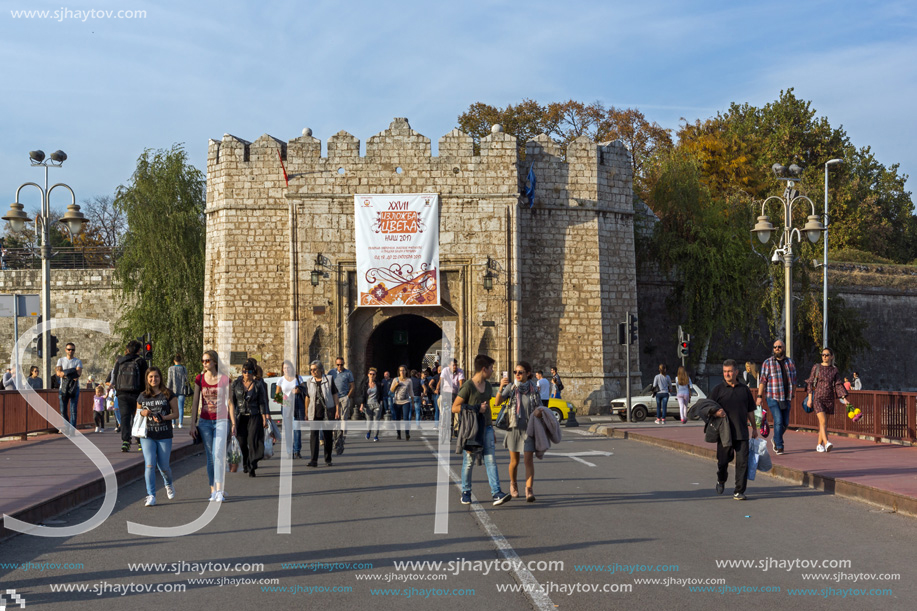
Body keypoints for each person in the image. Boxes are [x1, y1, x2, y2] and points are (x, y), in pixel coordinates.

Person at [453, 354, 511, 506]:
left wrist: (491, 428)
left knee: (490, 459)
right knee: (469, 461)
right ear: (483, 369)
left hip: (486, 428)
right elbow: (455, 407)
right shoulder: (468, 386)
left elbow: (492, 406)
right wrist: (476, 408)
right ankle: (466, 492)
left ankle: (496, 492)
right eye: (491, 368)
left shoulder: (488, 386)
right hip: (471, 429)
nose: (493, 371)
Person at [709, 359, 758, 500]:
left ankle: (739, 491)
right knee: (723, 462)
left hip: (741, 432)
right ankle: (721, 479)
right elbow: (707, 407)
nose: (727, 374)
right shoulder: (718, 390)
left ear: (736, 372)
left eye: (730, 371)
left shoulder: (744, 390)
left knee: (742, 463)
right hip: (724, 433)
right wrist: (715, 412)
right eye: (725, 371)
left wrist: (754, 428)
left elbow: (750, 410)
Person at [189, 350, 234, 502]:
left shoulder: (224, 379)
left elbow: (230, 402)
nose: (205, 363)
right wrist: (192, 425)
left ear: (214, 361)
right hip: (205, 422)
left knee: (218, 454)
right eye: (203, 361)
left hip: (221, 420)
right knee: (210, 457)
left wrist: (233, 423)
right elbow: (195, 402)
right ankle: (213, 490)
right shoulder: (199, 379)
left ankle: (220, 490)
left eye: (207, 360)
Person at [497, 361, 543, 502]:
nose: (517, 374)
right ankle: (513, 484)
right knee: (514, 462)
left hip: (529, 429)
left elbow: (540, 408)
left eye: (520, 372)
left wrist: (539, 413)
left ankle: (529, 490)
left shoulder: (534, 389)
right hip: (514, 428)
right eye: (515, 372)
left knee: (528, 461)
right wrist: (501, 387)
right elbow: (497, 402)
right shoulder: (511, 387)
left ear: (528, 373)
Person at [137, 367, 178, 507]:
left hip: (164, 434)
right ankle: (151, 495)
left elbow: (176, 413)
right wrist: (143, 412)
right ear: (147, 379)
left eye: (156, 377)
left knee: (164, 466)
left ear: (160, 378)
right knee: (149, 464)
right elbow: (137, 413)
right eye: (151, 377)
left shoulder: (168, 394)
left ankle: (168, 484)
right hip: (147, 434)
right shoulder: (142, 396)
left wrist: (164, 417)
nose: (153, 379)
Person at [756, 339, 796, 456]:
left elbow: (793, 380)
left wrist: (793, 394)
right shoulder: (767, 363)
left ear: (783, 348)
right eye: (775, 347)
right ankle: (779, 446)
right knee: (778, 421)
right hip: (772, 396)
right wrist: (759, 396)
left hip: (786, 397)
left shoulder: (790, 362)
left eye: (779, 347)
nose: (777, 349)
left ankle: (775, 438)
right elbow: (762, 380)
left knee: (785, 423)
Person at [806, 347, 850, 453]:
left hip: (829, 399)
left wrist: (844, 398)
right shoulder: (816, 367)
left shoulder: (834, 370)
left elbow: (838, 384)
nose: (824, 357)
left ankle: (818, 445)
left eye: (826, 355)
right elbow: (810, 383)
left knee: (824, 424)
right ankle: (826, 443)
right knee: (823, 421)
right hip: (818, 398)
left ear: (831, 357)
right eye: (823, 355)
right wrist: (810, 398)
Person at [231, 358, 269, 477]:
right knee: (242, 442)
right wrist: (232, 419)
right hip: (241, 417)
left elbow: (262, 402)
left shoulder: (258, 385)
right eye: (244, 371)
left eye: (249, 372)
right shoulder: (236, 384)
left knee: (253, 441)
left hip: (254, 416)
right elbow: (232, 402)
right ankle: (246, 462)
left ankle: (252, 465)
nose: (247, 374)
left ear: (253, 373)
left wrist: (264, 417)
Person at [302, 360, 339, 467]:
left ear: (321, 370)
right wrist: (306, 411)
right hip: (314, 412)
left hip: (327, 412)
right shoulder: (309, 381)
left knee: (327, 436)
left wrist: (337, 409)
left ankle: (328, 459)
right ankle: (314, 460)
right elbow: (307, 397)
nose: (312, 371)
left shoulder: (329, 380)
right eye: (311, 370)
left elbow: (335, 395)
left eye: (314, 369)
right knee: (313, 436)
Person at [112, 341, 147, 452]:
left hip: (122, 394)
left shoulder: (120, 361)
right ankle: (139, 440)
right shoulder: (140, 361)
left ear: (127, 349)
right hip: (137, 393)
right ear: (138, 350)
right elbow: (145, 379)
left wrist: (118, 391)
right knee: (138, 417)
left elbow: (115, 377)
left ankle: (126, 441)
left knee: (125, 417)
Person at [277, 360, 305, 458]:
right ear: (282, 369)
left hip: (297, 406)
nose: (287, 369)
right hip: (286, 406)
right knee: (288, 430)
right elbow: (277, 396)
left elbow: (304, 390)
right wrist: (285, 400)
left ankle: (297, 450)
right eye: (284, 368)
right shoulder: (280, 380)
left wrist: (298, 390)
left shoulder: (298, 378)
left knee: (297, 429)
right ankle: (289, 451)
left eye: (288, 367)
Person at [330, 357, 355, 455]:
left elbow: (352, 386)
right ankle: (335, 436)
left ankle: (343, 436)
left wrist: (348, 396)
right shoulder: (331, 372)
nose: (340, 366)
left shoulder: (348, 373)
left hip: (344, 397)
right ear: (335, 364)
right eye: (338, 364)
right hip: (334, 398)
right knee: (334, 417)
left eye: (341, 364)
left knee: (344, 418)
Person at [56, 343, 83, 430]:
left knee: (73, 410)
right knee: (63, 410)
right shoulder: (60, 360)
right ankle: (67, 426)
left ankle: (72, 430)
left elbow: (78, 374)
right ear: (65, 350)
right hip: (63, 388)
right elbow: (58, 373)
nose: (70, 351)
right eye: (69, 349)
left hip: (74, 388)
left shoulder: (78, 361)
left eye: (72, 350)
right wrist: (72, 371)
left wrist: (65, 373)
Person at [436, 359, 465, 435]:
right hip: (446, 392)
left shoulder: (460, 371)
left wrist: (461, 393)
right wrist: (437, 388)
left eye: (456, 365)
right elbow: (441, 380)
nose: (455, 367)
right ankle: (443, 416)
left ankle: (455, 428)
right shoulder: (445, 370)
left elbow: (461, 383)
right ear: (449, 366)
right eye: (453, 365)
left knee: (456, 409)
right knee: (440, 400)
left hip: (455, 393)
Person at [359, 367, 384, 442]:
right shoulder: (365, 385)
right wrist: (362, 404)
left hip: (376, 404)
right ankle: (368, 432)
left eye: (373, 374)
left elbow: (381, 394)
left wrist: (381, 403)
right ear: (368, 375)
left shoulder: (378, 384)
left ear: (375, 375)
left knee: (376, 421)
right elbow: (363, 395)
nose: (372, 375)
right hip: (368, 405)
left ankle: (376, 436)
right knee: (369, 421)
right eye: (370, 374)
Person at [166, 354, 190, 429]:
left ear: (174, 361)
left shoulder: (171, 369)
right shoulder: (183, 368)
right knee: (181, 407)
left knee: (173, 407)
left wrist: (167, 389)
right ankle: (180, 423)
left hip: (173, 390)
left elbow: (169, 380)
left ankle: (173, 423)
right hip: (182, 390)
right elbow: (186, 379)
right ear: (180, 360)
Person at [391, 366, 414, 440]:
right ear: (399, 371)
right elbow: (391, 390)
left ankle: (407, 433)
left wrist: (413, 403)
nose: (402, 372)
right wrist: (396, 385)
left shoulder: (409, 380)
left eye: (403, 370)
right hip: (397, 401)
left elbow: (411, 392)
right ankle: (398, 434)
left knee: (406, 418)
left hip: (406, 401)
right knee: (397, 418)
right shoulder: (395, 379)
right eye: (401, 370)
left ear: (406, 371)